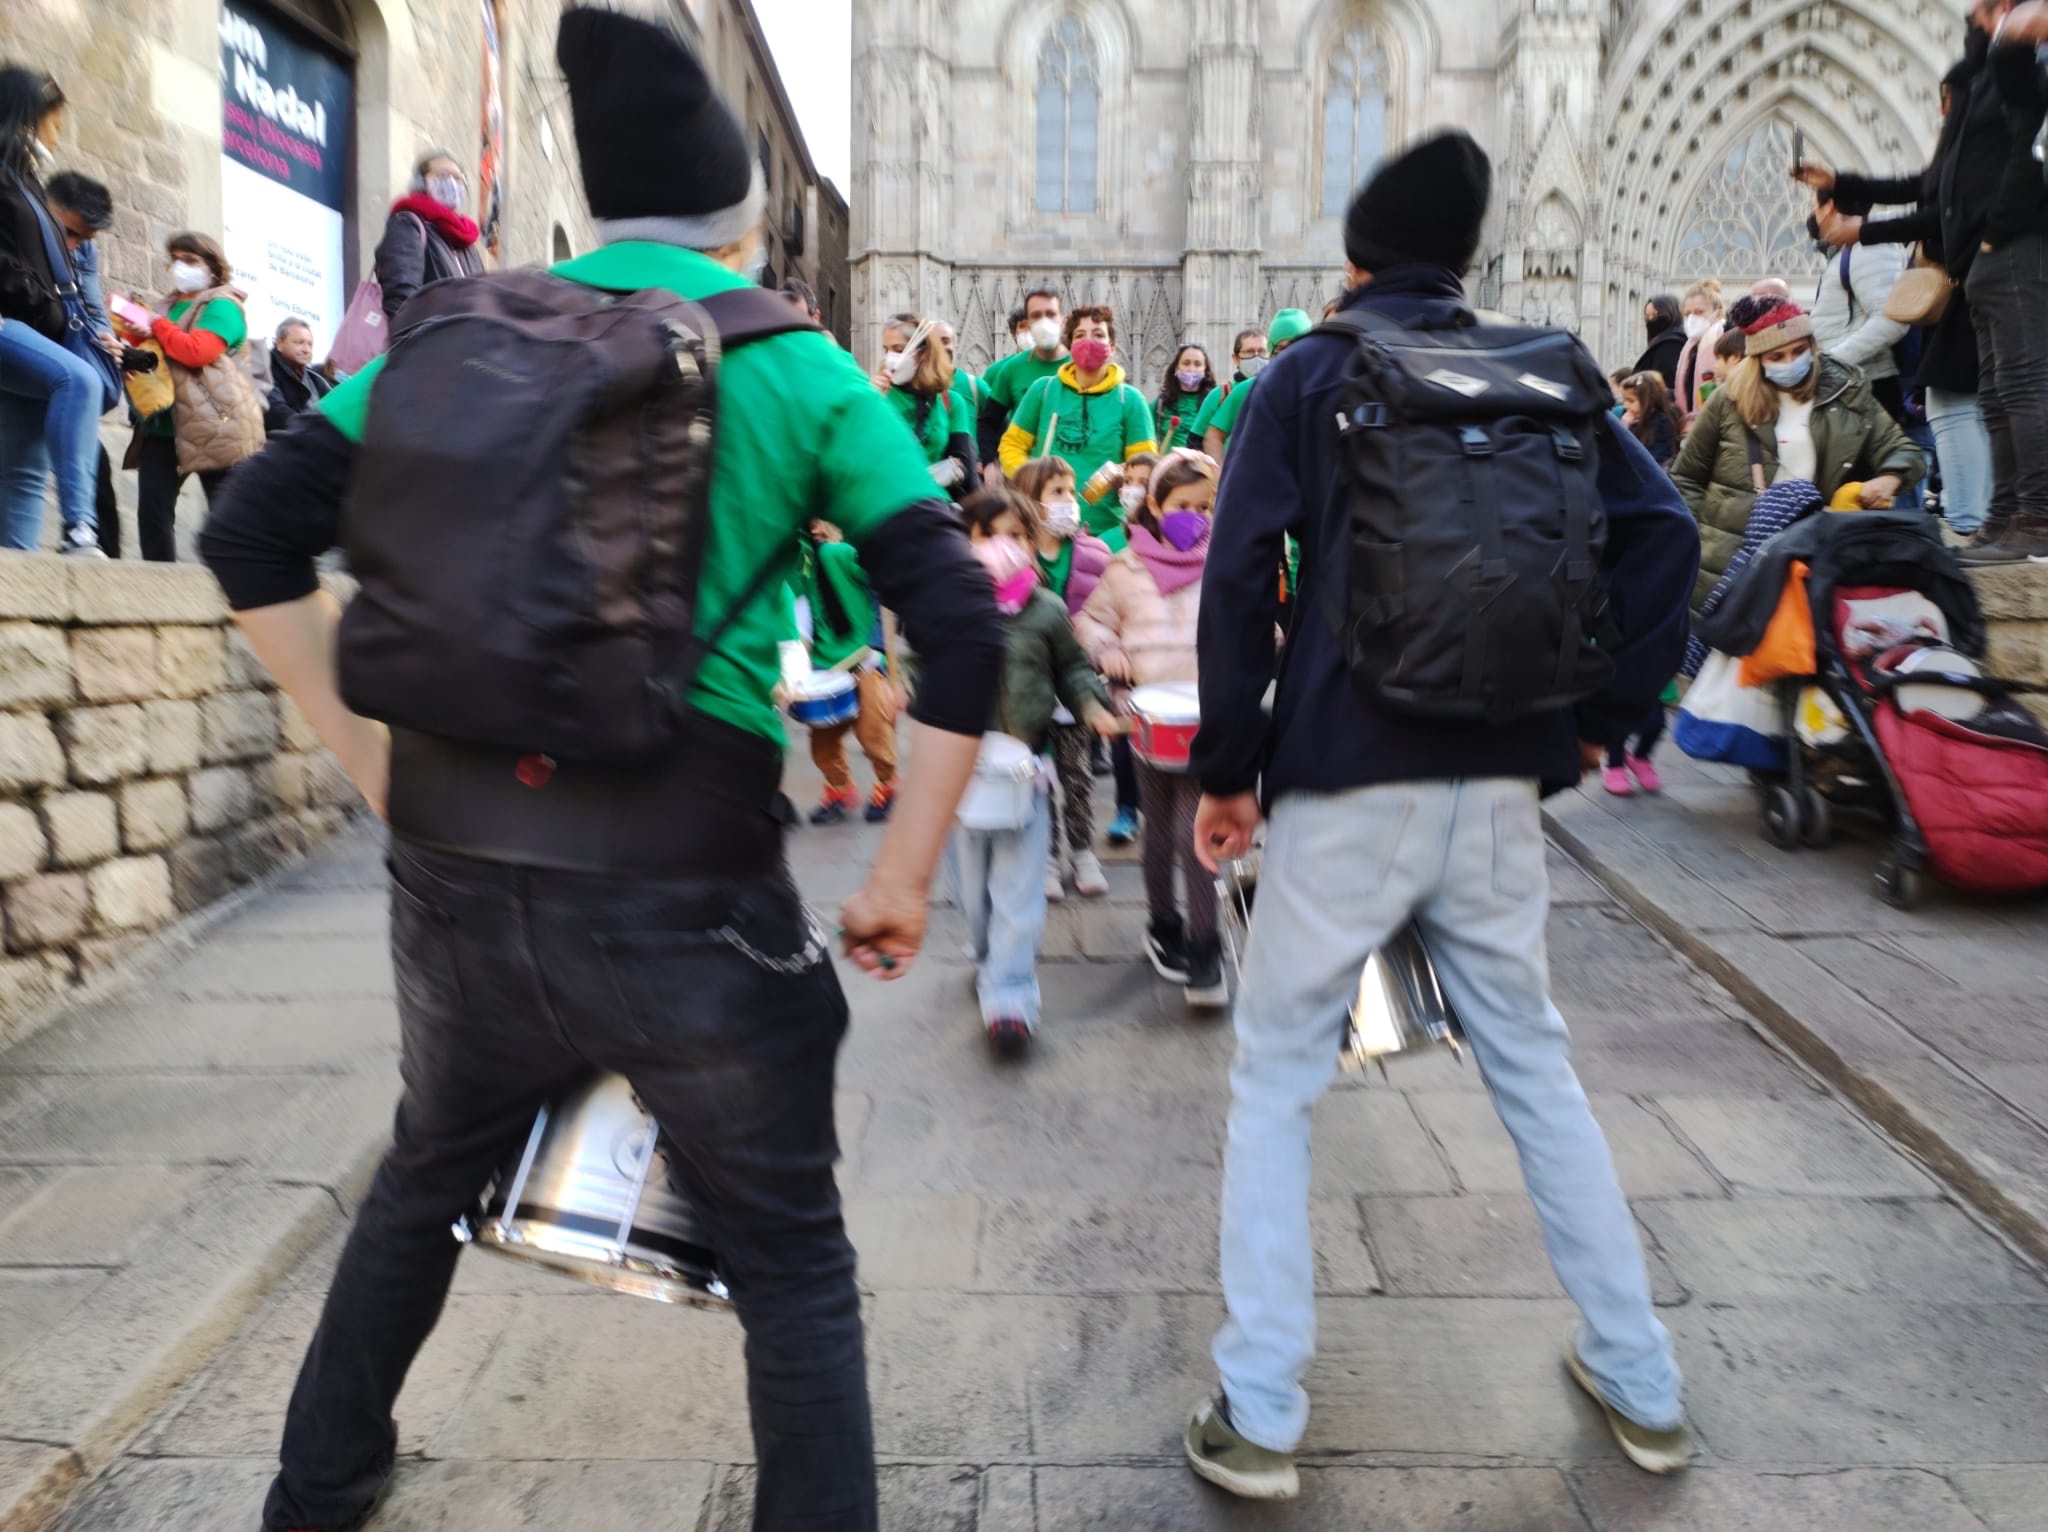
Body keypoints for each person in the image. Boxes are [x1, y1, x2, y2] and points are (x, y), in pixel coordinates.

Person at [197, 11, 1004, 1530]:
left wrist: (374, 767)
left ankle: (317, 1490)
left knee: (422, 1174)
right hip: (685, 878)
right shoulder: (800, 366)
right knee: (791, 1256)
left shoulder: (444, 340)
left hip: (453, 861)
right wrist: (899, 877)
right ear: (744, 223)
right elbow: (961, 627)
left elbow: (248, 535)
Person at [1183, 130, 1702, 1502]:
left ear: (1355, 260)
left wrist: (1226, 767)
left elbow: (1237, 576)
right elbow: (1665, 537)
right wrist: (1603, 716)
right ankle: (1641, 1376)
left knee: (1278, 1080)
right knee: (1533, 1065)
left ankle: (1260, 1408)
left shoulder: (1309, 372)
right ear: (1462, 260)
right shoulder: (1550, 370)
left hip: (1346, 769)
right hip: (1498, 780)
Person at [1802, 31, 2006, 542]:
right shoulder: (1961, 155)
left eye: (1948, 100)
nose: (1942, 112)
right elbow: (1916, 188)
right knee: (1963, 405)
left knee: (1958, 406)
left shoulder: (1981, 154)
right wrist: (1841, 181)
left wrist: (1864, 231)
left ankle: (1970, 521)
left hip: (1971, 293)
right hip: (1964, 296)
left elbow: (1932, 214)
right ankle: (1978, 518)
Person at [951, 487, 1115, 1055]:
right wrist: (909, 686)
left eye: (1017, 535)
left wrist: (1093, 706)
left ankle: (1010, 997)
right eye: (988, 535)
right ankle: (984, 950)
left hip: (1026, 770)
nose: (1005, 546)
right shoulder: (947, 608)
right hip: (960, 772)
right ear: (964, 542)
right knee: (973, 893)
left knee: (1019, 891)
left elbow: (1073, 670)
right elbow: (922, 663)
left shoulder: (1046, 610)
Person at [1075, 448, 1223, 1008]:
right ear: (1155, 506)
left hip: (1206, 714)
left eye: (1205, 506)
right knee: (1158, 823)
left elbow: (1254, 623)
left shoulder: (1224, 560)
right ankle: (1163, 925)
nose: (1195, 517)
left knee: (1194, 825)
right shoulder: (1126, 567)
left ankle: (1206, 944)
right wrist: (1106, 649)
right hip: (1147, 714)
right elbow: (1089, 620)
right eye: (1183, 505)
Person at [1671, 295, 1924, 610]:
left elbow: (1902, 449)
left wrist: (1889, 478)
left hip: (1809, 555)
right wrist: (1698, 540)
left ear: (1812, 347)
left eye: (1799, 351)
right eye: (1776, 356)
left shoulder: (1847, 395)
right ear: (1758, 359)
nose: (1790, 362)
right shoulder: (1727, 400)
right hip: (1726, 559)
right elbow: (1686, 477)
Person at [0, 67, 103, 554]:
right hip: (9, 322)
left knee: (24, 470)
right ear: (27, 116)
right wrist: (40, 298)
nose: (58, 137)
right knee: (78, 381)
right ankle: (80, 528)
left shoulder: (24, 181)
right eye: (55, 124)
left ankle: (15, 575)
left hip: (33, 329)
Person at [118, 232, 264, 562]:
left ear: (213, 267)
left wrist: (155, 325)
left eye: (190, 260)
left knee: (226, 521)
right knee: (153, 517)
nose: (180, 267)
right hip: (163, 425)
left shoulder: (223, 305)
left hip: (216, 425)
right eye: (175, 259)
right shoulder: (165, 306)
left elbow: (196, 351)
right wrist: (129, 339)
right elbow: (152, 349)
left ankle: (234, 585)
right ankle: (161, 588)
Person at [1012, 454, 1114, 901]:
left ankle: (1083, 850)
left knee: (1077, 773)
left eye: (1070, 492)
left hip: (1075, 685)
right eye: (1056, 492)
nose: (1068, 501)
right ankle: (1048, 855)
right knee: (1038, 776)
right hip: (1030, 688)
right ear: (1030, 501)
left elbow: (1108, 613)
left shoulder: (1093, 554)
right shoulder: (1013, 557)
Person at [999, 305, 1157, 545]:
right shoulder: (1043, 390)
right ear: (1070, 346)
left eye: (1098, 334)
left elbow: (1144, 467)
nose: (1089, 342)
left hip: (1106, 533)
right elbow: (1011, 445)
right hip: (1043, 529)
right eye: (1080, 335)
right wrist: (1032, 482)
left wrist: (1121, 474)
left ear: (1112, 347)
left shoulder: (1131, 401)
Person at [43, 168, 130, 558]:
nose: (74, 245)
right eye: (70, 232)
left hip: (63, 362)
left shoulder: (84, 251)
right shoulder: (23, 226)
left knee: (94, 463)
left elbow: (92, 304)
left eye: (85, 238)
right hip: (30, 353)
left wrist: (105, 338)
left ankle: (98, 558)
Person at [798, 520, 898, 826]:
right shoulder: (795, 570)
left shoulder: (839, 554)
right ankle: (839, 789)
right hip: (824, 666)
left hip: (863, 657)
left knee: (873, 731)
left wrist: (877, 644)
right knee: (822, 741)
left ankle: (887, 784)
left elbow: (883, 586)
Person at [373, 149, 484, 323]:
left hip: (468, 337)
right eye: (442, 175)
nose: (451, 183)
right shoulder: (408, 224)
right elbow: (401, 298)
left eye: (457, 178)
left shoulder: (466, 242)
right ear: (422, 182)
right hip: (431, 337)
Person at [874, 312, 977, 499]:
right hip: (887, 504)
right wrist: (869, 402)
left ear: (922, 353)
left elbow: (964, 466)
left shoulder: (951, 401)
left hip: (936, 504)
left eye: (898, 350)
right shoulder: (877, 396)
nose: (890, 358)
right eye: (886, 350)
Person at [978, 285, 1067, 474]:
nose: (1044, 321)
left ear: (1062, 319)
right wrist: (990, 463)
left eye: (1050, 314)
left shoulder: (1078, 365)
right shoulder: (1012, 368)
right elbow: (987, 422)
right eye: (1036, 316)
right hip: (1025, 476)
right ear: (1028, 322)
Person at [1204, 310, 1311, 461]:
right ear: (1272, 352)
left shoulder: (1324, 389)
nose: (1290, 353)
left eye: (1297, 345)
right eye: (1281, 348)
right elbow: (1213, 435)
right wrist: (1220, 473)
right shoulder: (1250, 388)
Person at [263, 317, 334, 434]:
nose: (306, 350)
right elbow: (276, 412)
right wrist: (313, 432)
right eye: (299, 342)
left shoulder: (316, 379)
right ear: (279, 344)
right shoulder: (266, 369)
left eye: (310, 344)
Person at [1672, 279, 1725, 418]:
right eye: (1687, 314)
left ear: (1718, 314)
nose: (1692, 318)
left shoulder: (1723, 341)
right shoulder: (1689, 347)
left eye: (1699, 312)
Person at [1155, 342, 1216, 450]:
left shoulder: (1215, 403)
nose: (1191, 369)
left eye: (1197, 364)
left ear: (1205, 371)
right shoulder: (1160, 404)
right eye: (1186, 363)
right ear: (1176, 368)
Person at [1621, 370, 1683, 469]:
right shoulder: (1636, 421)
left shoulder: (1664, 420)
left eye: (1631, 401)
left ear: (1648, 399)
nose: (1625, 406)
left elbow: (1666, 452)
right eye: (1624, 400)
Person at [1633, 293, 1686, 387]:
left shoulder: (1670, 344)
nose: (1650, 321)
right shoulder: (1662, 342)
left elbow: (1665, 383)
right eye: (1647, 317)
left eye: (1654, 316)